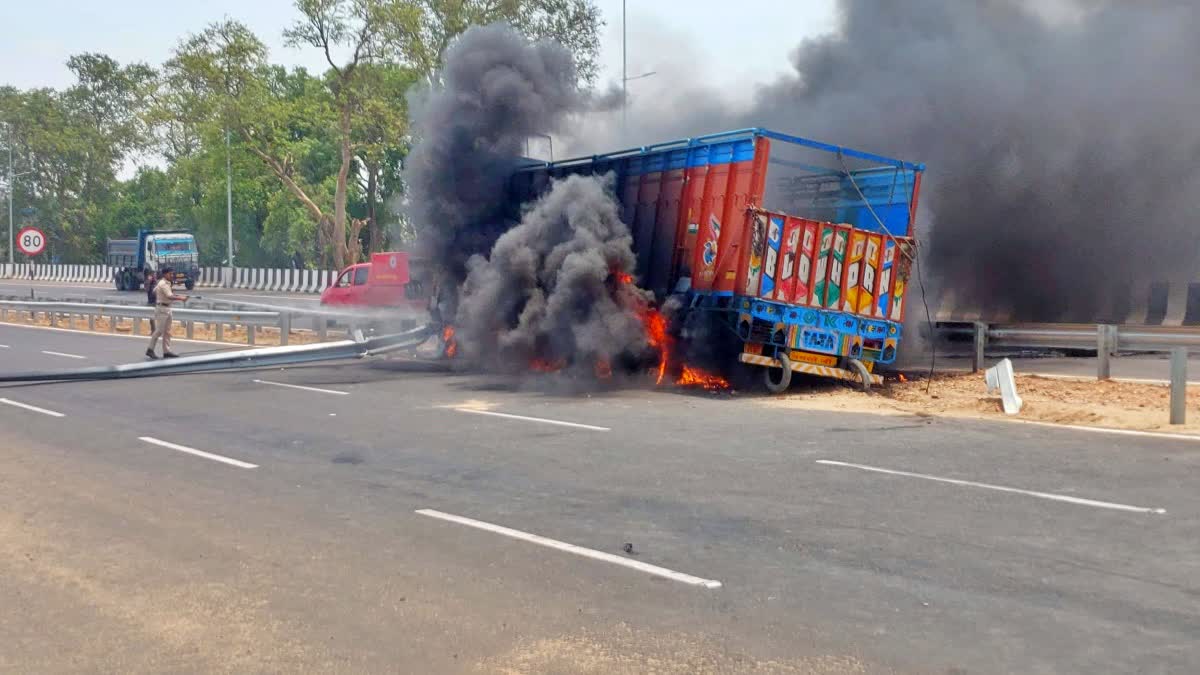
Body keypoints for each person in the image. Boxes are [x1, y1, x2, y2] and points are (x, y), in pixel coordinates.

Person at [145, 266, 188, 359]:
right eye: (170, 273)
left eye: (172, 273)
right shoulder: (163, 284)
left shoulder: (165, 283)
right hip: (162, 309)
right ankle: (150, 349)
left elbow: (154, 291)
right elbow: (169, 296)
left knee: (167, 332)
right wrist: (180, 298)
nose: (172, 275)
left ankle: (166, 351)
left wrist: (171, 295)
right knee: (159, 331)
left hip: (167, 308)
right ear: (165, 274)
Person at [144, 269, 157, 333]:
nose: (154, 276)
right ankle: (153, 330)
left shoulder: (156, 282)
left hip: (156, 302)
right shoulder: (147, 282)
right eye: (152, 275)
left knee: (158, 318)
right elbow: (147, 289)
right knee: (151, 318)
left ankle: (156, 331)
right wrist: (149, 281)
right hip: (151, 302)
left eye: (154, 275)